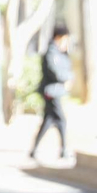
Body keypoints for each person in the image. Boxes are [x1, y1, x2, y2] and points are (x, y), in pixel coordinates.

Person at [28, 26, 74, 163]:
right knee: (61, 120)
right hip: (51, 92)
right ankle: (64, 150)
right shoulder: (51, 53)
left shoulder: (60, 53)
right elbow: (55, 72)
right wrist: (66, 78)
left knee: (48, 121)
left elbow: (67, 68)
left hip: (56, 91)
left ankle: (35, 149)